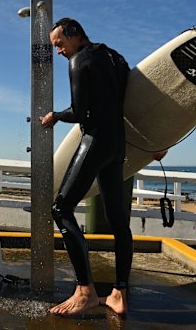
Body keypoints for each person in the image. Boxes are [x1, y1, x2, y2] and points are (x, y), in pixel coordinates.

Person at [40, 18, 131, 316]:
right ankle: (119, 292)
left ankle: (85, 291)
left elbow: (81, 112)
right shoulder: (115, 58)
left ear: (74, 35)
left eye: (60, 44)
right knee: (118, 222)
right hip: (118, 144)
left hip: (95, 141)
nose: (59, 51)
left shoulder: (80, 60)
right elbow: (128, 103)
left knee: (60, 209)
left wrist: (54, 115)